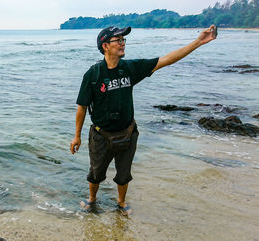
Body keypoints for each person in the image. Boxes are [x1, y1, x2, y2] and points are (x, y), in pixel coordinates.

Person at [70, 25, 217, 215]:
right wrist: (77, 137)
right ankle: (92, 200)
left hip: (127, 132)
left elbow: (166, 60)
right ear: (105, 45)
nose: (123, 43)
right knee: (96, 173)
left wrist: (198, 42)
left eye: (124, 40)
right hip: (100, 134)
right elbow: (82, 107)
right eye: (118, 40)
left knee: (124, 174)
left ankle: (121, 203)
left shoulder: (130, 68)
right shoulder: (93, 75)